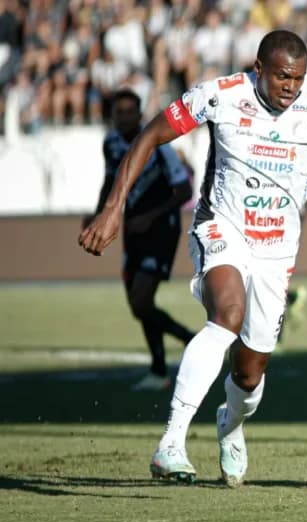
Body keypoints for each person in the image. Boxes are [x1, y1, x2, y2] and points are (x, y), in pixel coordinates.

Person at [78, 30, 307, 487]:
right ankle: (171, 442)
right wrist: (113, 207)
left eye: (297, 77)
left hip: (277, 249)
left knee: (250, 374)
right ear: (259, 70)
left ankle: (231, 426)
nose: (290, 87)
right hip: (222, 226)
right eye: (281, 77)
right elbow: (150, 136)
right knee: (227, 314)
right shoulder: (220, 97)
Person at [84, 88, 195, 392]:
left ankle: (189, 341)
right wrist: (99, 215)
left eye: (129, 112)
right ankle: (160, 369)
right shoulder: (111, 143)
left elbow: (184, 191)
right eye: (118, 113)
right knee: (139, 305)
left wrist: (152, 216)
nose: (123, 117)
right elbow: (110, 180)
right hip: (132, 231)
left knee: (141, 299)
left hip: (161, 230)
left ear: (140, 114)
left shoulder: (159, 145)